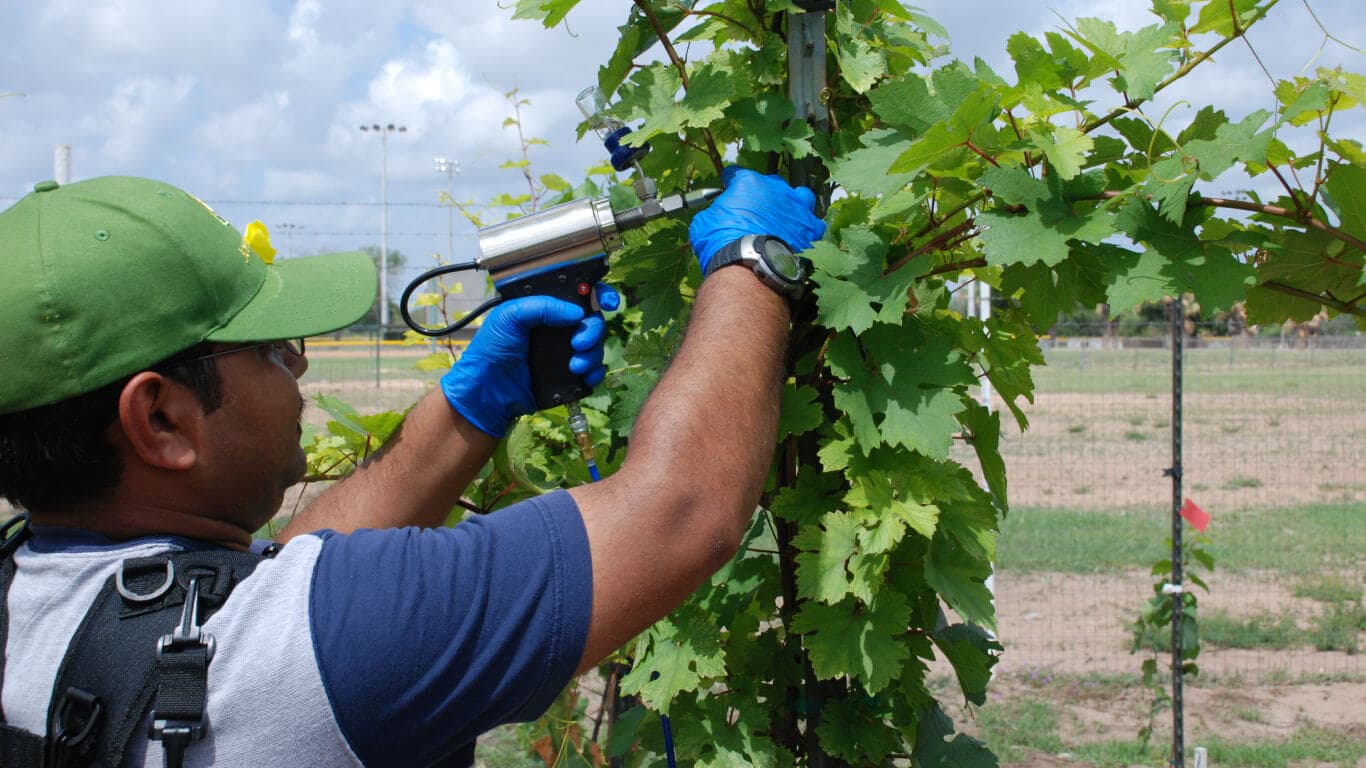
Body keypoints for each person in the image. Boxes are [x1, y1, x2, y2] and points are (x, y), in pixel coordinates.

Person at [0, 166, 824, 767]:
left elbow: (287, 579)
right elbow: (682, 509)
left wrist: (471, 410)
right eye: (268, 349)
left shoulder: (32, 594)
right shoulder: (339, 644)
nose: (300, 364)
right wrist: (754, 263)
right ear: (161, 419)